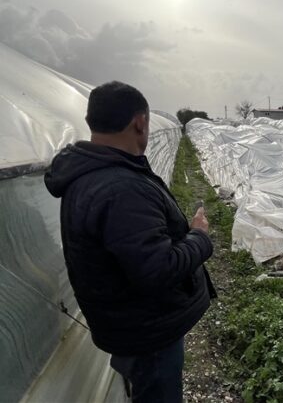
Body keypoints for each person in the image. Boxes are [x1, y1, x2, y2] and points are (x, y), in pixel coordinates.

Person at [44, 81, 216, 402]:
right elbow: (157, 270)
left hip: (126, 323)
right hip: (146, 333)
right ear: (140, 122)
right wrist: (199, 237)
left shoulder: (90, 174)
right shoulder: (121, 188)